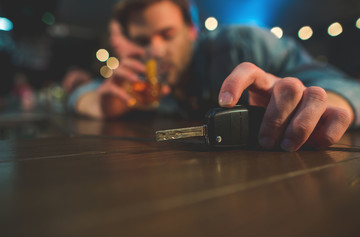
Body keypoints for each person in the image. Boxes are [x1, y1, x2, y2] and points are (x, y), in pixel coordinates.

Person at [68, 0, 360, 152]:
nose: (154, 51)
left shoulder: (242, 44)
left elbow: (345, 86)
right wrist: (97, 104)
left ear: (192, 30)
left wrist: (317, 107)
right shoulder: (144, 78)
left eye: (166, 35)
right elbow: (88, 92)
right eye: (144, 41)